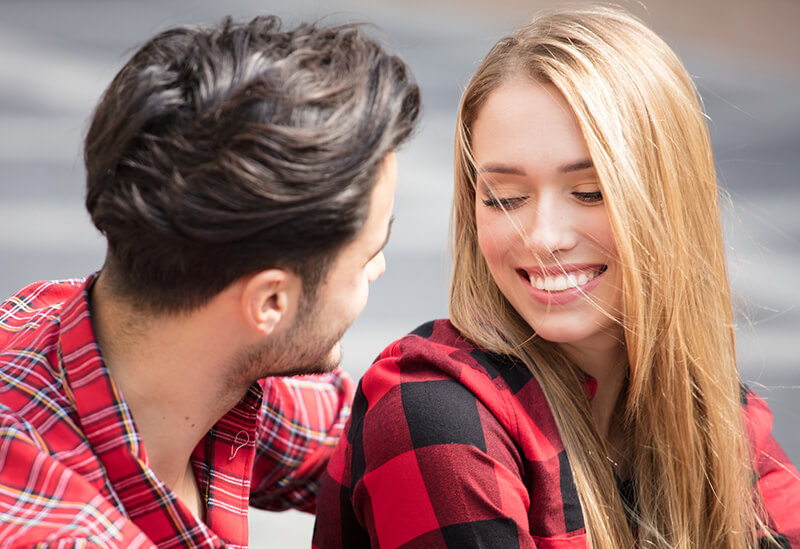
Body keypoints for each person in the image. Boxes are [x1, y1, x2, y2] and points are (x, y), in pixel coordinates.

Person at [312, 6, 800, 548]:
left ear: (671, 203)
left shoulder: (718, 421)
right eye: (506, 197)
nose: (544, 237)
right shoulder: (436, 409)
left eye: (590, 192)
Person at [0, 15, 419, 548]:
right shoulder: (56, 532)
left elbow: (379, 433)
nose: (377, 268)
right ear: (269, 301)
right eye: (369, 254)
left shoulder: (137, 342)